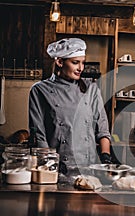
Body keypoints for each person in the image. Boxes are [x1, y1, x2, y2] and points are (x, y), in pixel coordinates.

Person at [28, 37, 112, 173]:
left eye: (83, 63)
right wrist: (50, 162)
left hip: (89, 167)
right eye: (75, 63)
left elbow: (102, 129)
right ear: (60, 62)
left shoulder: (91, 89)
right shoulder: (40, 90)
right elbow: (39, 134)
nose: (81, 68)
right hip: (57, 166)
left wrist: (105, 156)